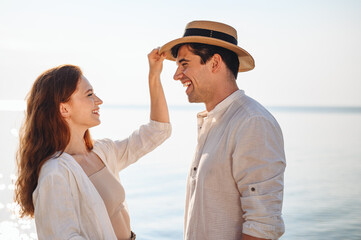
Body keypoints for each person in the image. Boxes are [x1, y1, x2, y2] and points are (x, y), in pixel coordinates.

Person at [14, 49, 171, 239]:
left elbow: (158, 131)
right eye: (89, 95)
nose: (99, 101)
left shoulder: (103, 152)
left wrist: (154, 74)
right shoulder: (55, 173)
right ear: (64, 109)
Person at [160, 20, 286, 240]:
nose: (177, 75)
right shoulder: (215, 122)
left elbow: (263, 225)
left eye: (184, 64)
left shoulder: (252, 122)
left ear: (215, 63)